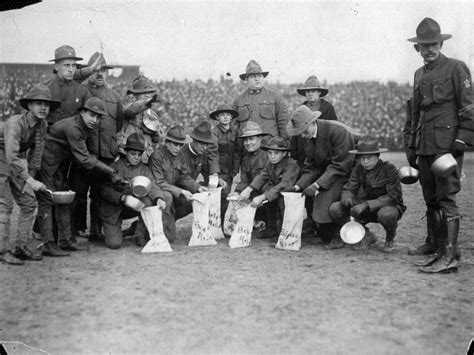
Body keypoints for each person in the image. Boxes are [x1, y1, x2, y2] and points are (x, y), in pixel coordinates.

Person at [405, 18, 474, 273]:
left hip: (446, 144)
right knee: (431, 199)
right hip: (425, 144)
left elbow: (468, 107)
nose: (429, 49)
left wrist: (461, 140)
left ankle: (450, 255)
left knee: (447, 198)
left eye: (433, 44)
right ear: (417, 49)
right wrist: (412, 146)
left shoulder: (456, 68)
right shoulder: (419, 74)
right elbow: (415, 113)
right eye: (424, 46)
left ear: (440, 43)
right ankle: (437, 248)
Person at [35, 97, 118, 257]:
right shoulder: (74, 127)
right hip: (47, 161)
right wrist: (110, 172)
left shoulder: (86, 126)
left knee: (63, 198)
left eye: (99, 117)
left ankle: (65, 240)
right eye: (92, 115)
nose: (95, 120)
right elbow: (84, 158)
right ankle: (48, 243)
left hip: (60, 163)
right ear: (83, 113)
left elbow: (89, 154)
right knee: (47, 199)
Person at [0, 85, 60, 265]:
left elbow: (36, 156)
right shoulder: (15, 123)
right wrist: (30, 180)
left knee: (28, 202)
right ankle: (2, 251)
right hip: (2, 157)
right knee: (5, 206)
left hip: (15, 160)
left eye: (47, 105)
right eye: (38, 103)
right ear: (29, 106)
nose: (43, 108)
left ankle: (20, 246)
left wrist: (30, 180)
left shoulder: (42, 125)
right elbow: (11, 155)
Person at [71, 52, 124, 240]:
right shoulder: (81, 92)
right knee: (79, 192)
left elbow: (119, 124)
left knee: (99, 193)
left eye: (103, 70)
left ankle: (96, 229)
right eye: (96, 70)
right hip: (85, 152)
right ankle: (78, 229)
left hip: (106, 154)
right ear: (89, 71)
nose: (100, 74)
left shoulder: (115, 97)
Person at [287, 105, 354, 249]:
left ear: (313, 122)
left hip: (347, 172)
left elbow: (341, 165)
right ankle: (327, 231)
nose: (303, 136)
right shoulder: (308, 136)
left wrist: (317, 185)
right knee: (322, 227)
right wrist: (299, 186)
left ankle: (342, 234)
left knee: (326, 204)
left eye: (304, 131)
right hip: (330, 173)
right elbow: (311, 166)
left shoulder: (337, 131)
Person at [329, 135, 406, 252]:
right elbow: (349, 188)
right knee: (335, 209)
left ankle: (390, 238)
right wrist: (347, 199)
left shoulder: (389, 169)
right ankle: (365, 234)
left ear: (377, 156)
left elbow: (393, 196)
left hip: (387, 207)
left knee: (386, 215)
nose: (365, 162)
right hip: (363, 207)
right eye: (362, 158)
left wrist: (366, 205)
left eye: (369, 158)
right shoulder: (358, 168)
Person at [99, 133, 165, 249]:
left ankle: (140, 231)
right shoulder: (115, 167)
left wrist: (159, 198)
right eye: (133, 154)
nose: (136, 157)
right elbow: (103, 190)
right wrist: (122, 198)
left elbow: (152, 185)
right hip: (113, 208)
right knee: (114, 244)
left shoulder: (144, 169)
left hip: (132, 207)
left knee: (148, 201)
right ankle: (108, 227)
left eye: (139, 154)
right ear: (126, 152)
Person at [292, 75, 339, 235]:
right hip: (306, 153)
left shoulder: (327, 108)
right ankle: (312, 220)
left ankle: (323, 223)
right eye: (308, 92)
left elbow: (334, 128)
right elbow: (297, 134)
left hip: (326, 155)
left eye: (314, 91)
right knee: (305, 185)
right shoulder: (301, 108)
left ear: (319, 92)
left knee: (322, 189)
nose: (311, 94)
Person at [149, 125, 208, 242]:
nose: (178, 148)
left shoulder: (179, 156)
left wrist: (198, 187)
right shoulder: (157, 156)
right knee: (168, 196)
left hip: (170, 197)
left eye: (180, 145)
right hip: (157, 197)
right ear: (167, 143)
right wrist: (181, 191)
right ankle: (144, 226)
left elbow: (183, 177)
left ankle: (168, 220)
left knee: (170, 238)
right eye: (175, 144)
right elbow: (158, 182)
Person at [239, 137, 300, 239]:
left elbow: (284, 185)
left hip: (292, 194)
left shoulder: (291, 164)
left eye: (276, 153)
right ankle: (272, 227)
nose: (272, 156)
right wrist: (249, 189)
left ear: (284, 153)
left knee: (277, 199)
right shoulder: (270, 163)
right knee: (267, 191)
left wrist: (262, 197)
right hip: (277, 191)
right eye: (270, 153)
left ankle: (286, 231)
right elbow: (263, 175)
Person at [232, 60, 289, 140]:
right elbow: (234, 127)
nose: (257, 79)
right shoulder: (238, 100)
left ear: (263, 78)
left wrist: (283, 143)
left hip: (269, 145)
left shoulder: (275, 97)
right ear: (247, 79)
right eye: (253, 77)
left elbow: (283, 123)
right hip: (247, 145)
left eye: (259, 76)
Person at [232, 121, 270, 233]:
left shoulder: (268, 155)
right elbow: (244, 180)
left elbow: (270, 180)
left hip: (267, 195)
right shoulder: (246, 158)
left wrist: (251, 191)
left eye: (251, 139)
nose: (248, 143)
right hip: (253, 194)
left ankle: (272, 223)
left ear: (260, 139)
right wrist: (237, 192)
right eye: (245, 140)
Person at [118, 75, 164, 164]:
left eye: (149, 92)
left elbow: (156, 139)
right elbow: (134, 108)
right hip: (128, 154)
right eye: (144, 92)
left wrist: (156, 132)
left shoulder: (152, 114)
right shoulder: (130, 108)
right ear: (135, 95)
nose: (147, 95)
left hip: (145, 156)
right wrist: (147, 103)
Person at [43, 45, 94, 126]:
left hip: (74, 137)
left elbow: (91, 120)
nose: (71, 70)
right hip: (50, 137)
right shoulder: (45, 89)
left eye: (73, 65)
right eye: (66, 65)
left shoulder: (82, 91)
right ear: (56, 66)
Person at [209, 104, 240, 210]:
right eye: (222, 115)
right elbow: (212, 154)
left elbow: (237, 152)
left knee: (226, 196)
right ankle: (215, 223)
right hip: (218, 170)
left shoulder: (236, 131)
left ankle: (221, 222)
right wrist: (216, 174)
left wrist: (235, 169)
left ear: (231, 117)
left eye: (228, 115)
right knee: (217, 196)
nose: (225, 117)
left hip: (230, 170)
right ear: (217, 117)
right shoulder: (214, 133)